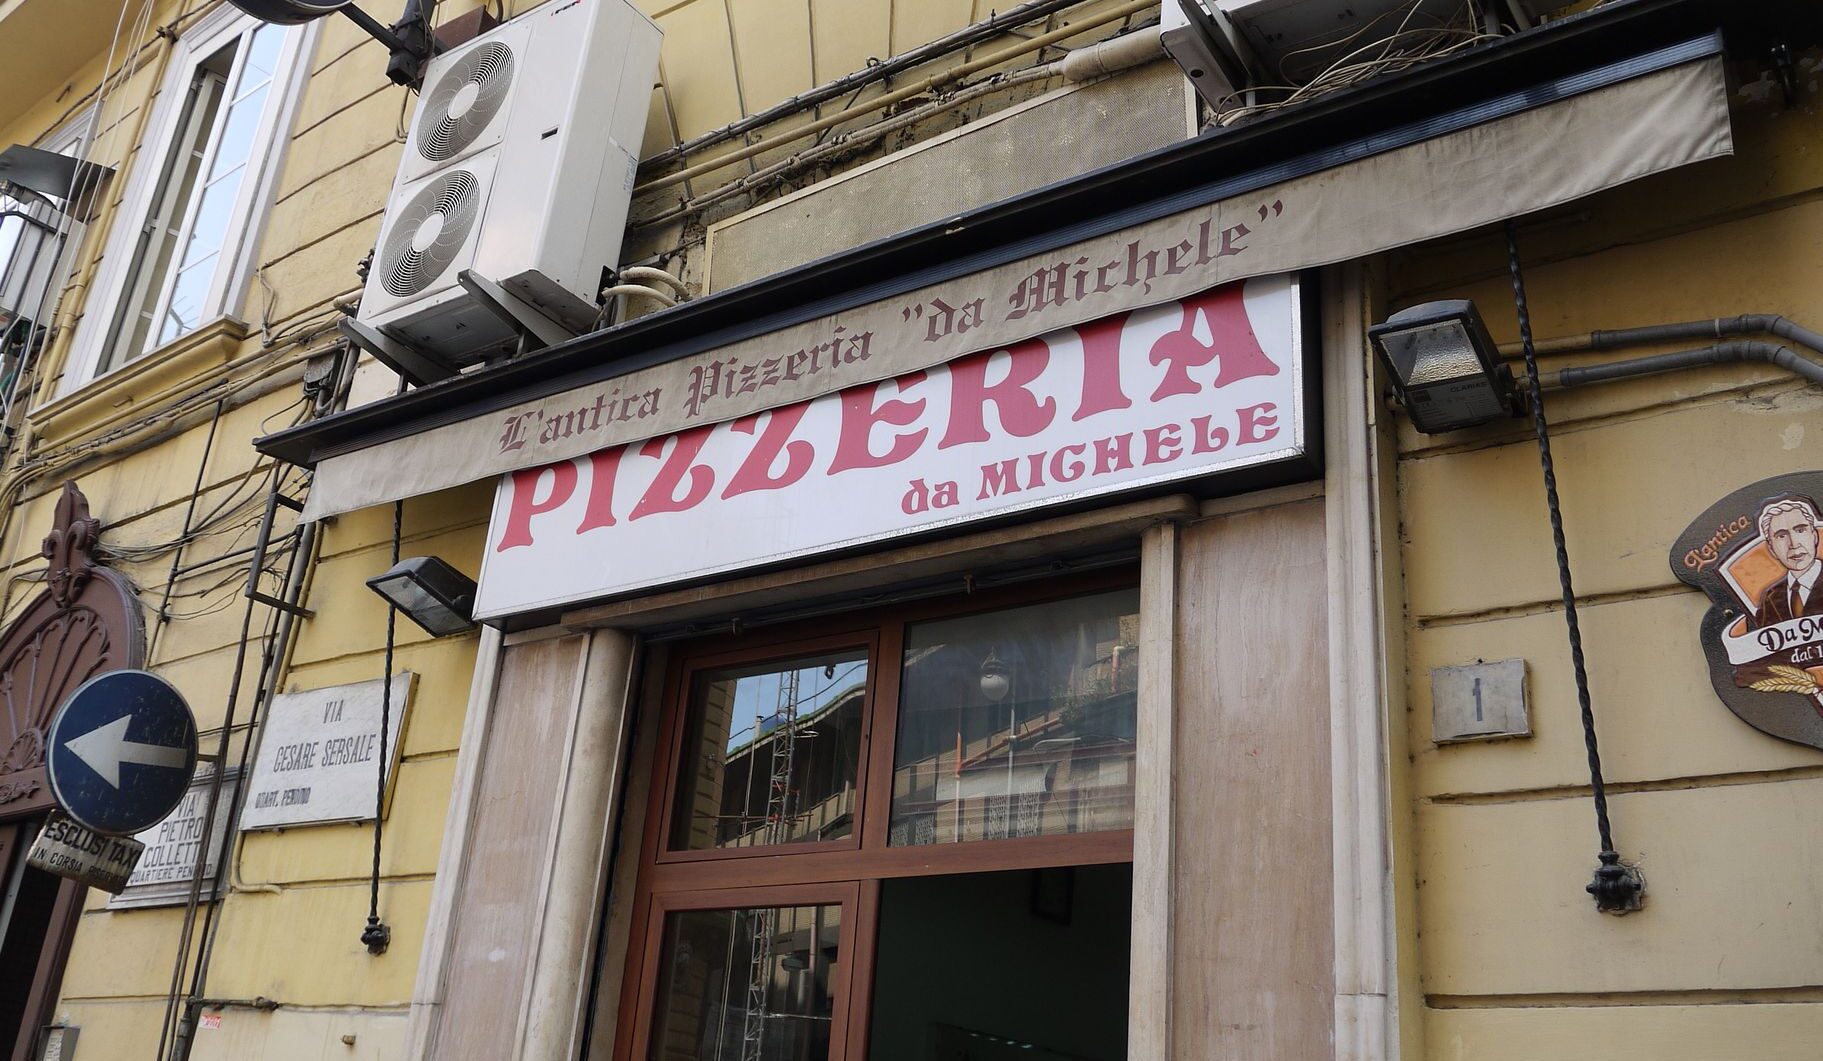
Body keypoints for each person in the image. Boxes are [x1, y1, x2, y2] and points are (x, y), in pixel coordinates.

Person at [1754, 493, 1823, 626]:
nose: (1793, 543)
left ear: (1814, 536)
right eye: (1781, 536)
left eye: (1800, 530)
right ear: (1772, 548)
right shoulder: (1769, 599)